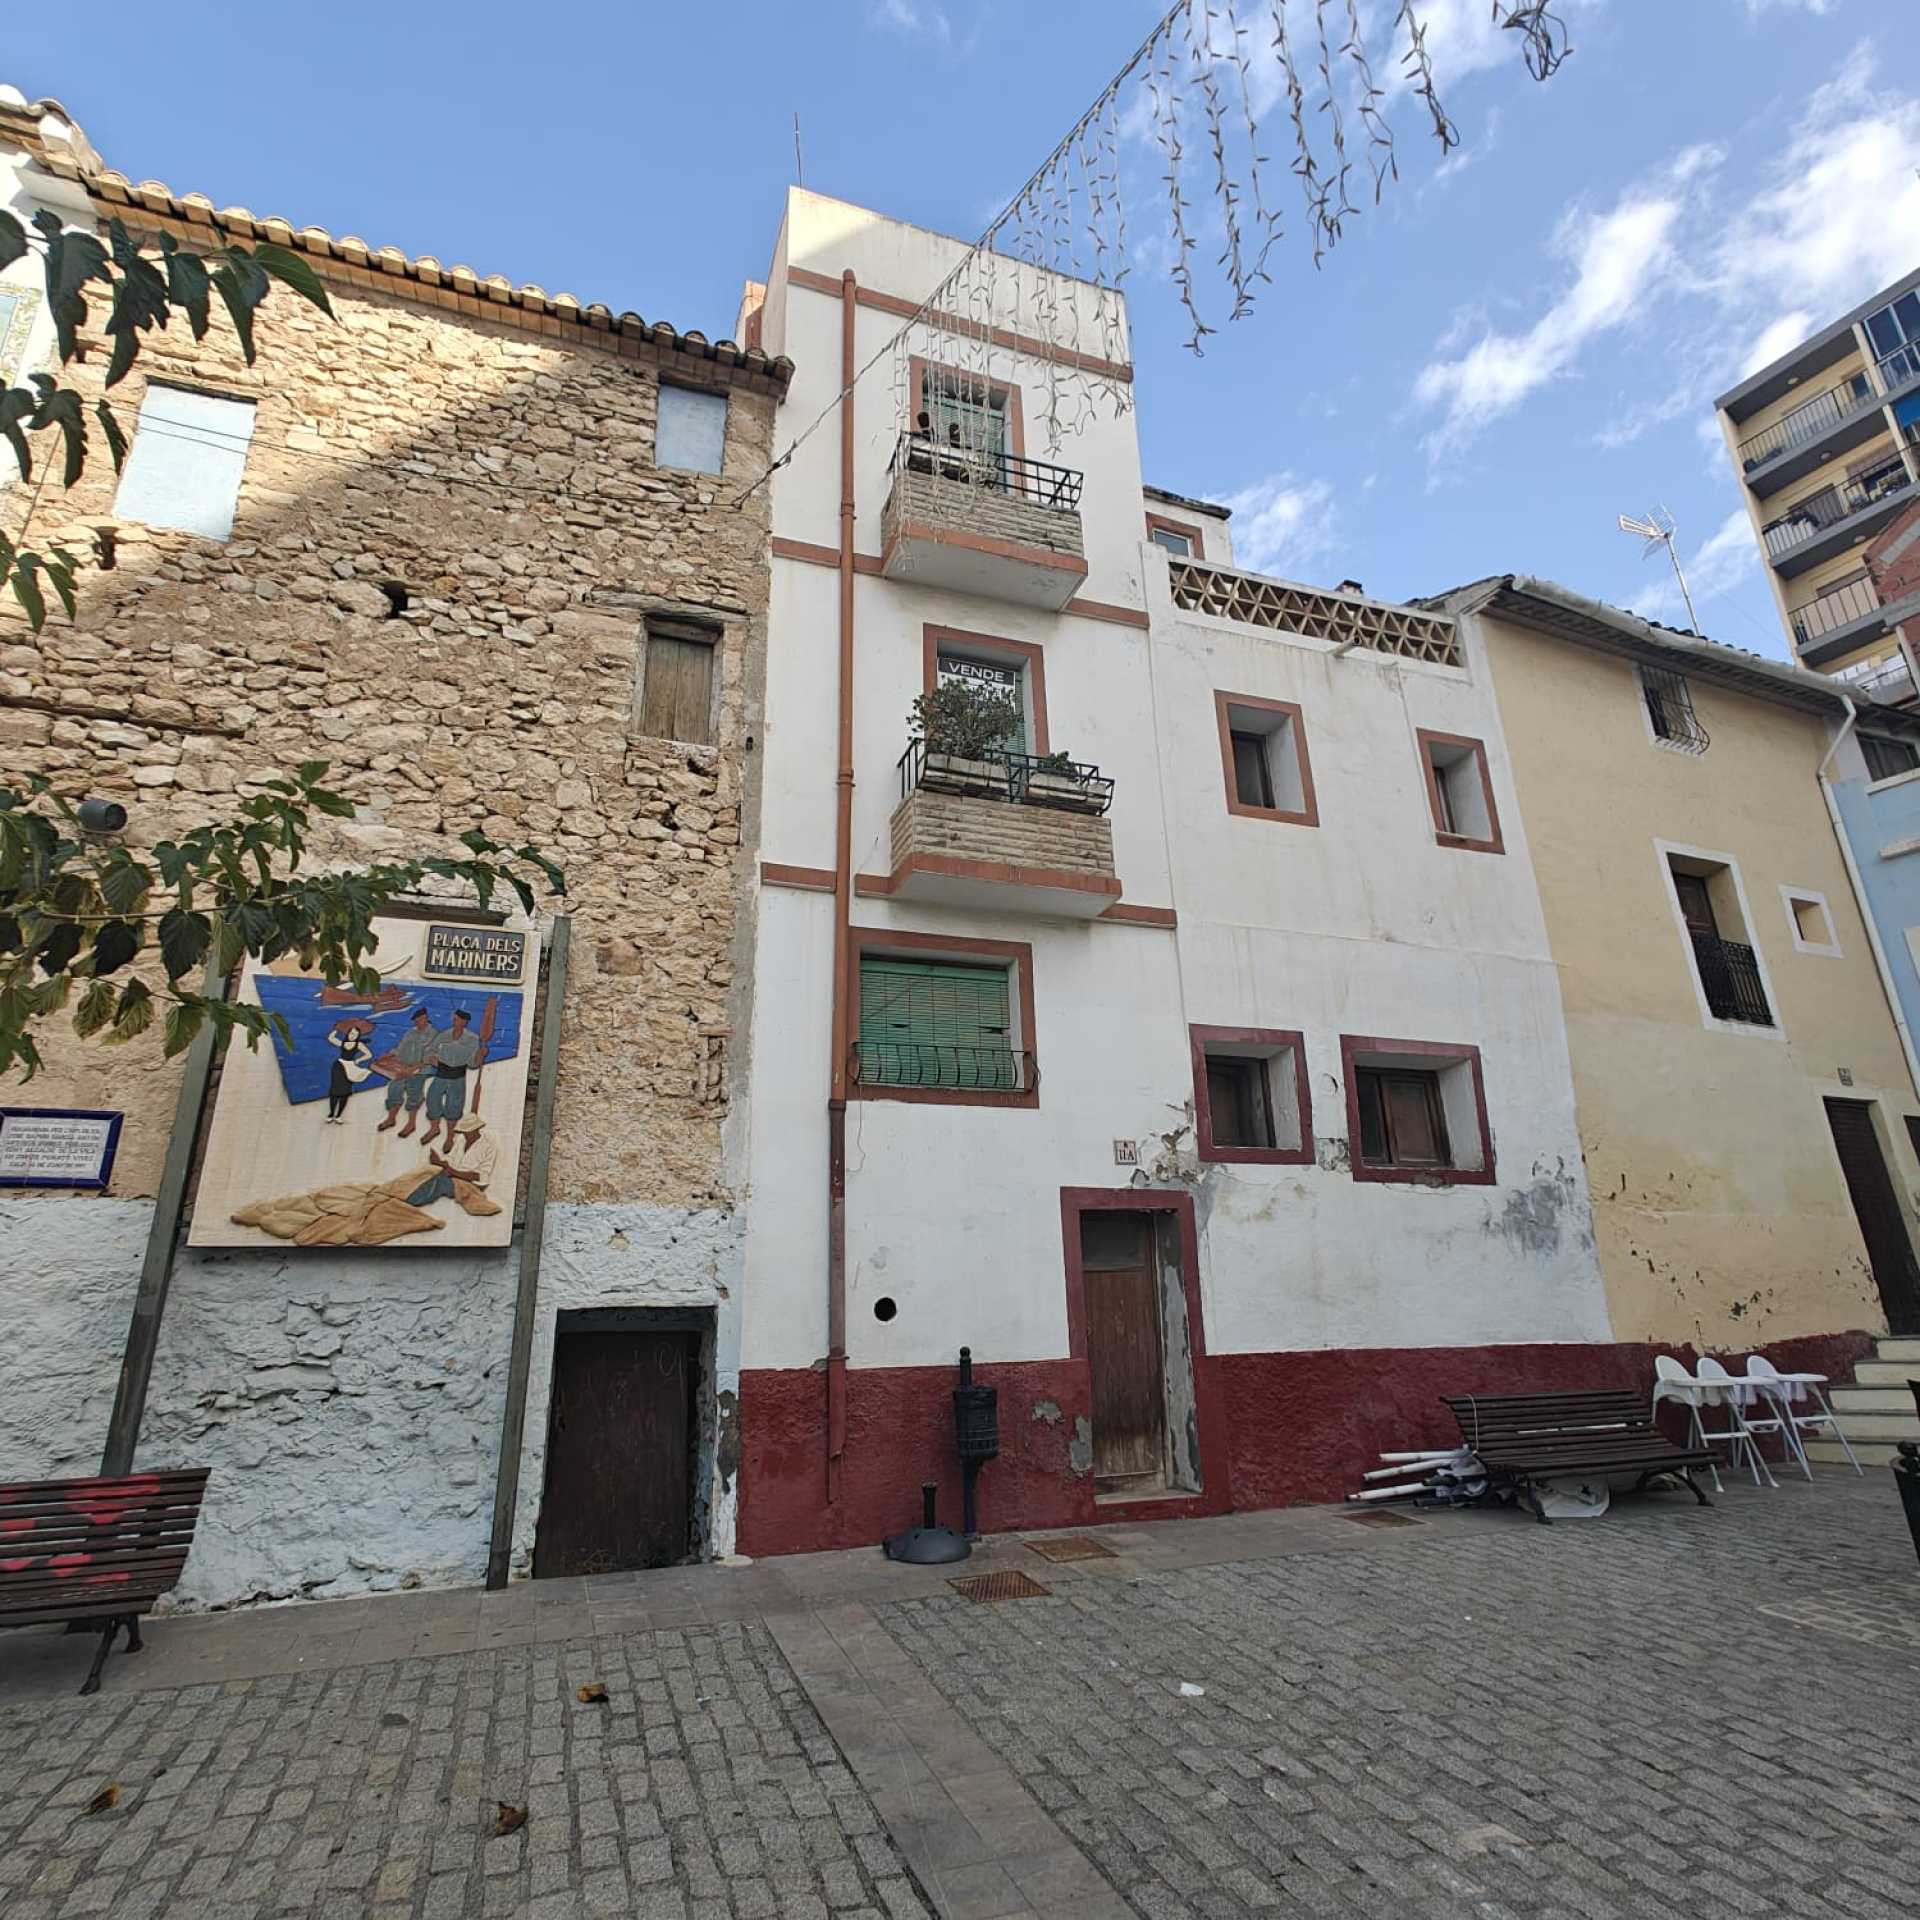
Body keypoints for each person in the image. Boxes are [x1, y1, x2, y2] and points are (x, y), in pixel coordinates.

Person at [404, 1113, 502, 1216]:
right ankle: (405, 1195)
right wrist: (438, 1162)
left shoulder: (489, 1147)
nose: (465, 1134)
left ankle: (410, 1203)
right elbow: (450, 1161)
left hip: (470, 1183)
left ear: (475, 1130)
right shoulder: (461, 1140)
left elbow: (481, 1176)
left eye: (467, 1132)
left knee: (440, 1180)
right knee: (425, 1172)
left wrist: (455, 1173)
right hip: (453, 1177)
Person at [419, 1007, 483, 1150]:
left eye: (457, 1020)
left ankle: (449, 1138)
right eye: (453, 1019)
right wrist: (431, 1057)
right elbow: (430, 1049)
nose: (454, 1022)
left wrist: (479, 1056)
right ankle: (434, 1128)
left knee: (453, 1106)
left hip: (457, 1076)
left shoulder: (472, 1039)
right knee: (432, 1098)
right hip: (442, 1072)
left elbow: (472, 1062)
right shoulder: (444, 1035)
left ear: (464, 1022)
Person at [377, 1008, 437, 1137]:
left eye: (419, 1020)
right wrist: (387, 1056)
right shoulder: (410, 1033)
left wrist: (413, 1068)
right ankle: (391, 1118)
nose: (417, 1023)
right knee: (394, 1089)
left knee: (414, 1094)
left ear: (425, 1018)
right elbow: (400, 1048)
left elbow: (430, 1056)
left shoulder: (433, 1034)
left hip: (419, 1070)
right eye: (415, 1021)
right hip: (403, 1066)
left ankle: (411, 1123)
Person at [324, 1019, 377, 1124]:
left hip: (350, 1067)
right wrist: (336, 1029)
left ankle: (338, 1115)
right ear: (348, 1033)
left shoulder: (359, 1045)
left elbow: (369, 1054)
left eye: (355, 1034)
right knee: (334, 1091)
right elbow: (331, 1038)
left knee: (345, 1092)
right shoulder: (343, 1043)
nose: (353, 1036)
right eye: (352, 1033)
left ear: (358, 1036)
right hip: (338, 1066)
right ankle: (331, 1114)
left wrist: (358, 1060)